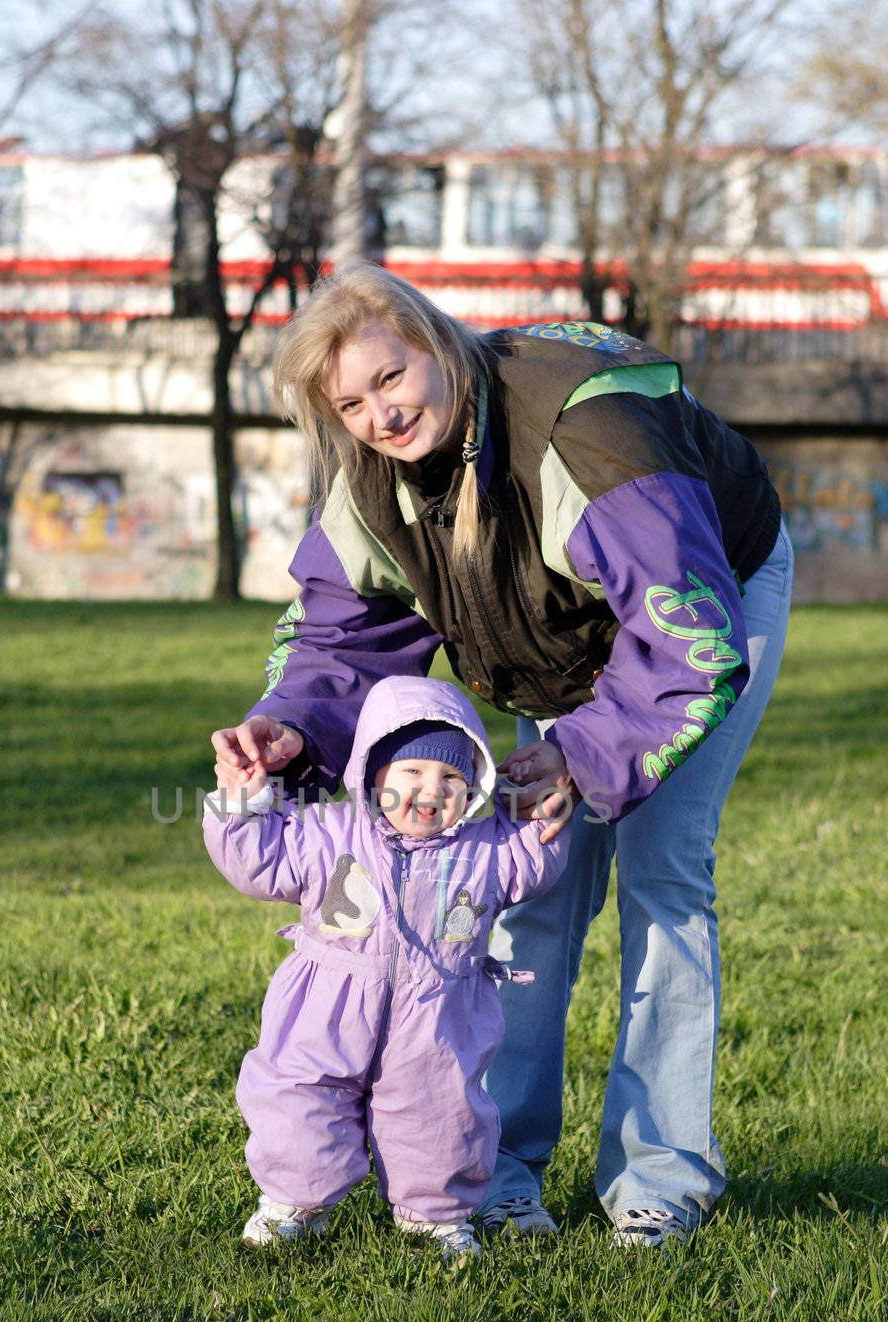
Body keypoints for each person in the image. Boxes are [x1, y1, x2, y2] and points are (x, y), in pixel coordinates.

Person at [212, 262, 794, 1247]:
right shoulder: (374, 476)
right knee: (525, 889)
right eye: (350, 403)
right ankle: (497, 1165)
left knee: (661, 868)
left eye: (389, 379)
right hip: (556, 638)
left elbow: (686, 640)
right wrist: (290, 726)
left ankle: (658, 1178)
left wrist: (583, 752)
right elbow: (337, 636)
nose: (378, 415)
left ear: (436, 344)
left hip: (700, 602)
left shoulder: (588, 433)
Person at [203, 675, 567, 1259]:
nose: (432, 789)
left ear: (473, 788)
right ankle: (295, 1200)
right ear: (374, 774)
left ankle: (437, 1212)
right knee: (300, 1096)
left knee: (441, 1109)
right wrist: (243, 804)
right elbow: (259, 862)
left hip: (439, 1010)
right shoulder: (327, 833)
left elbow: (533, 864)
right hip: (327, 1003)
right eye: (413, 772)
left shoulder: (486, 846)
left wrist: (535, 815)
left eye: (452, 777)